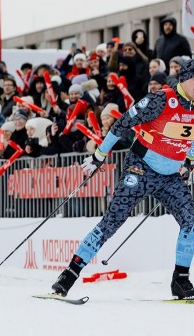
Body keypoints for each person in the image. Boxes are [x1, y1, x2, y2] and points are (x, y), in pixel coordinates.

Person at [51, 59, 194, 299]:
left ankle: (180, 280)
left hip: (169, 177)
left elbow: (188, 140)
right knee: (113, 220)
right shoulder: (160, 100)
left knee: (191, 220)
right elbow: (122, 123)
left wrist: (188, 161)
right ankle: (69, 274)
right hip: (141, 169)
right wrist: (99, 155)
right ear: (187, 79)